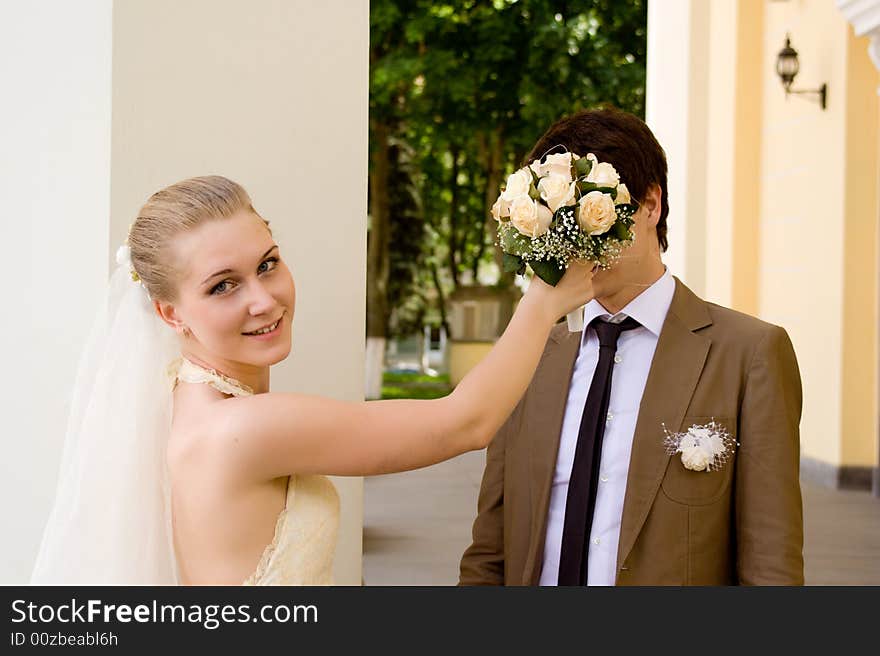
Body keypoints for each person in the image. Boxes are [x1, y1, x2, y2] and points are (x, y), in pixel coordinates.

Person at [29, 175, 596, 586]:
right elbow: (464, 423)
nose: (263, 299)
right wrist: (544, 300)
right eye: (223, 286)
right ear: (170, 314)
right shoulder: (244, 429)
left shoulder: (179, 401)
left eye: (267, 264)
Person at [459, 107, 804, 586]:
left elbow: (772, 565)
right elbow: (489, 551)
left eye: (592, 214)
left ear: (650, 205)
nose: (577, 239)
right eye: (561, 218)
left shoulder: (750, 355)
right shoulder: (530, 355)